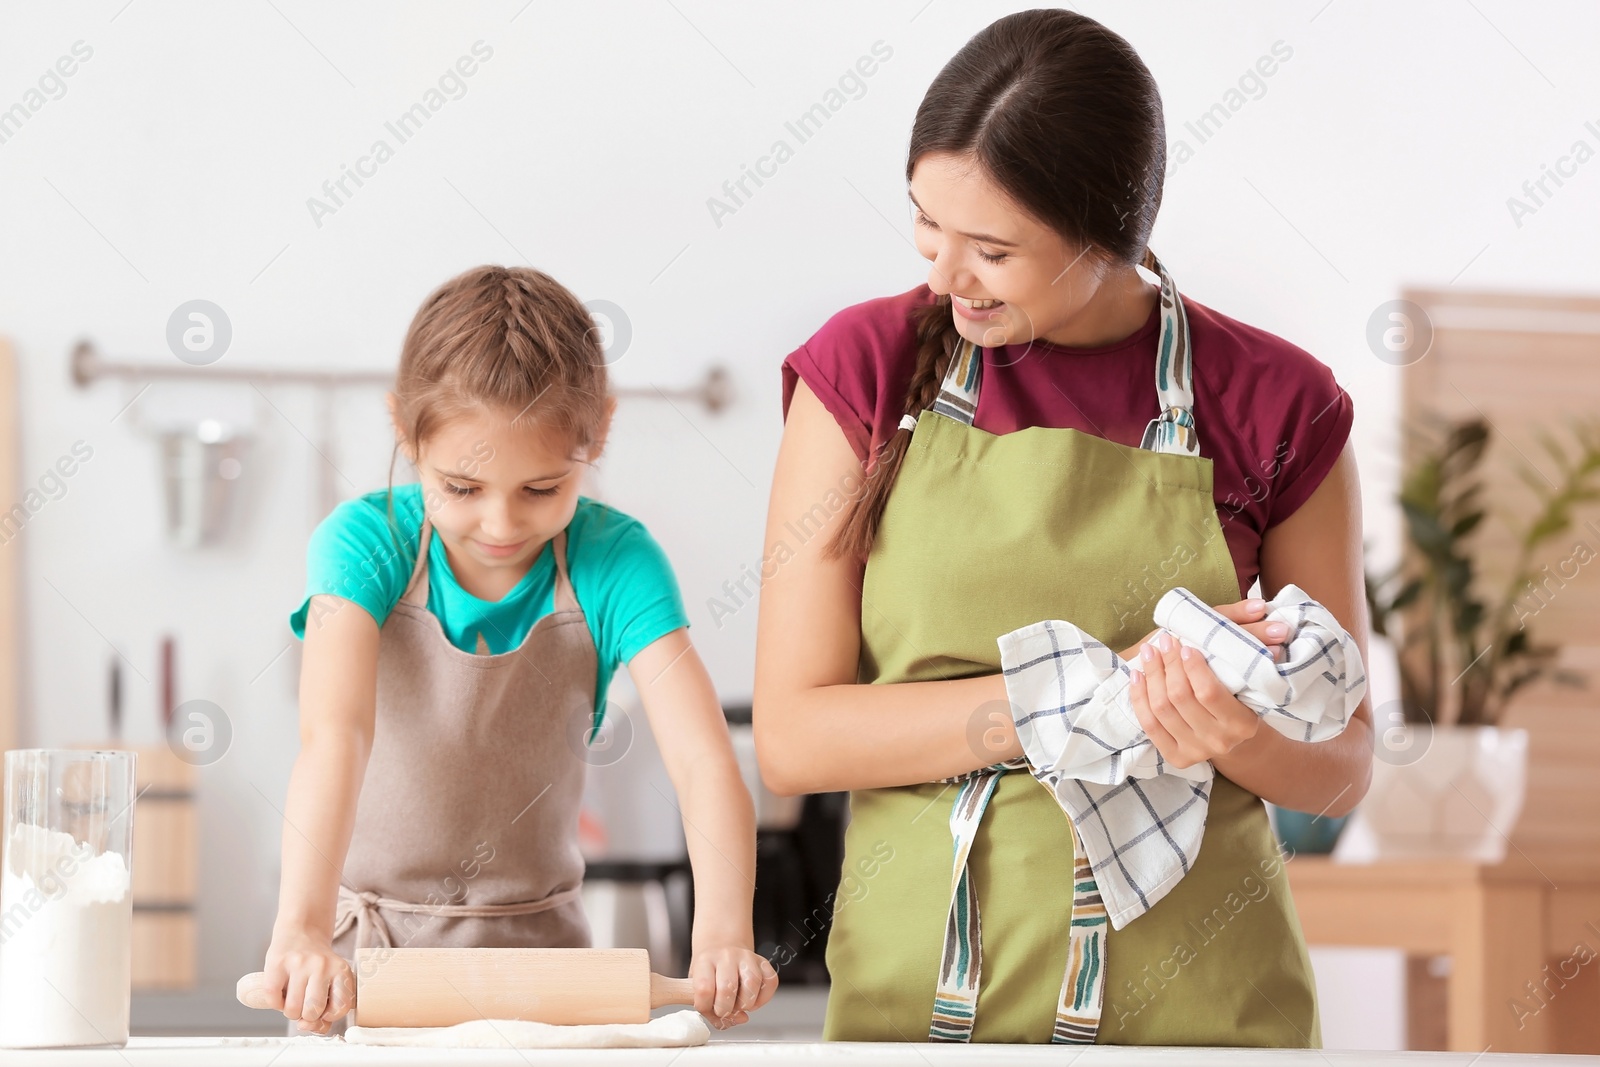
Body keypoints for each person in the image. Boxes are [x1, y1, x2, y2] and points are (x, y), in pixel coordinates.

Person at [754, 9, 1372, 1047]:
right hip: (924, 999)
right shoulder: (864, 368)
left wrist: (1235, 736)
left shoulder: (1277, 402)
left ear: (1109, 232)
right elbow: (796, 736)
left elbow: (1345, 761)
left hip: (1199, 1005)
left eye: (992, 249)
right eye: (925, 225)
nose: (946, 277)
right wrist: (1081, 696)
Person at [259, 265, 777, 1034]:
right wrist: (300, 930)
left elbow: (703, 759)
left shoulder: (616, 562)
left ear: (598, 431)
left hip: (544, 973)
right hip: (362, 971)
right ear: (406, 431)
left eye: (541, 489)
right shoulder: (364, 544)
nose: (500, 523)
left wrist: (725, 934)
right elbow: (336, 734)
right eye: (462, 488)